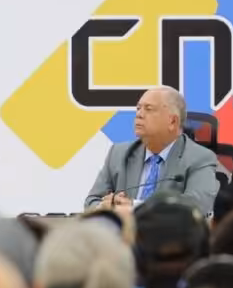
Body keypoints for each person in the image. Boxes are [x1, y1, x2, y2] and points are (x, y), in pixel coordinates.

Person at [84, 86, 220, 216]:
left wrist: (134, 207)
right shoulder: (119, 153)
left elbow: (197, 206)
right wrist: (105, 207)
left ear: (172, 121)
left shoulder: (200, 158)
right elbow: (91, 201)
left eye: (148, 109)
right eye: (138, 108)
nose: (139, 114)